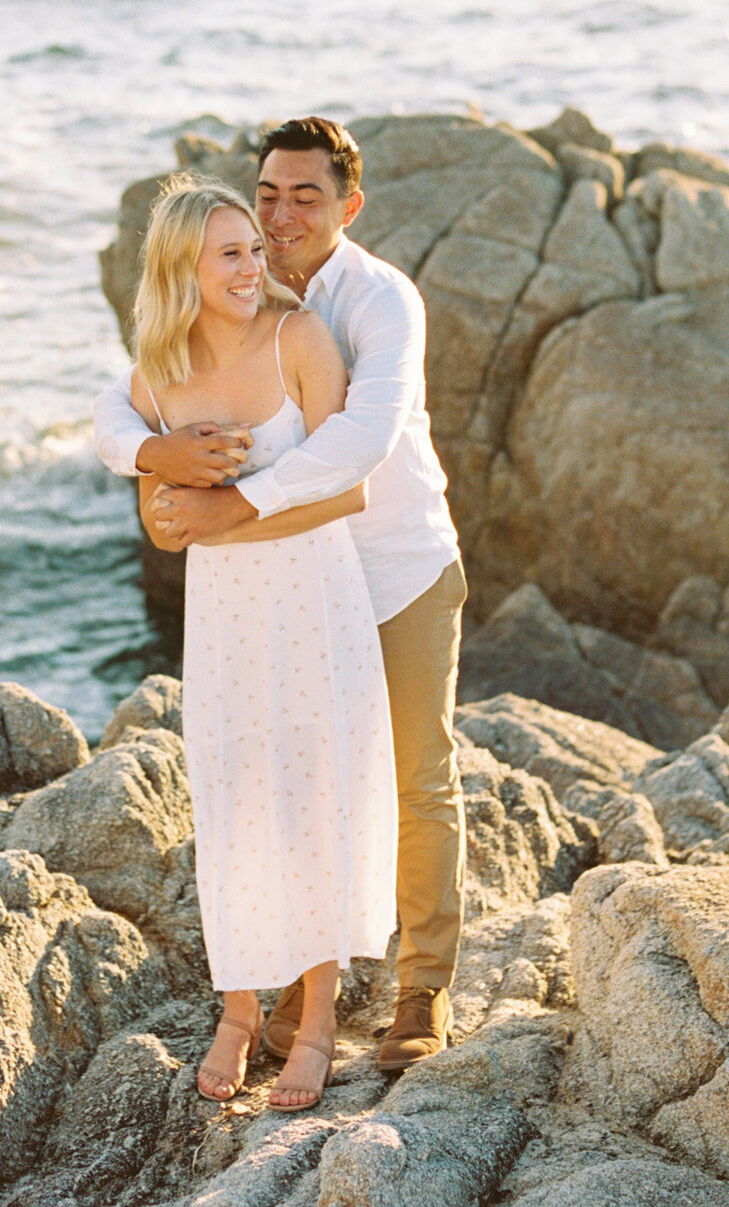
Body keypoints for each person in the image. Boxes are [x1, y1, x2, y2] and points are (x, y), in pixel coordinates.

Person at [95, 116, 467, 1077]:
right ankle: (272, 995)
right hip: (275, 589)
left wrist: (226, 509)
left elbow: (360, 450)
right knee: (275, 784)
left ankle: (419, 989)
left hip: (397, 564)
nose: (281, 213)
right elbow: (124, 408)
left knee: (412, 777)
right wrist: (151, 457)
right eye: (267, 195)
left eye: (305, 196)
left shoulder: (379, 303)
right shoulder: (233, 300)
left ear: (347, 206)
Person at [118, 175, 397, 1110]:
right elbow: (157, 511)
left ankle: (314, 1024)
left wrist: (218, 517)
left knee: (316, 794)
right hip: (226, 616)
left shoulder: (301, 339)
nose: (254, 265)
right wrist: (156, 466)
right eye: (230, 253)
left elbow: (349, 489)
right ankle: (240, 1010)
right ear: (182, 268)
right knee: (234, 801)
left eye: (253, 248)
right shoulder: (158, 370)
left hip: (315, 597)